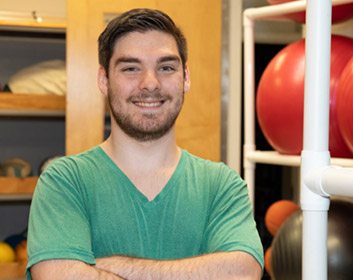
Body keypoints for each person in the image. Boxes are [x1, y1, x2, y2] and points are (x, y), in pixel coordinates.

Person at [26, 8, 264, 280]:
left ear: (185, 78)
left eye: (166, 67)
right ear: (104, 80)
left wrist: (112, 267)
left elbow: (242, 273)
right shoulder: (65, 181)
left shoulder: (221, 185)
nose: (150, 84)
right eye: (131, 68)